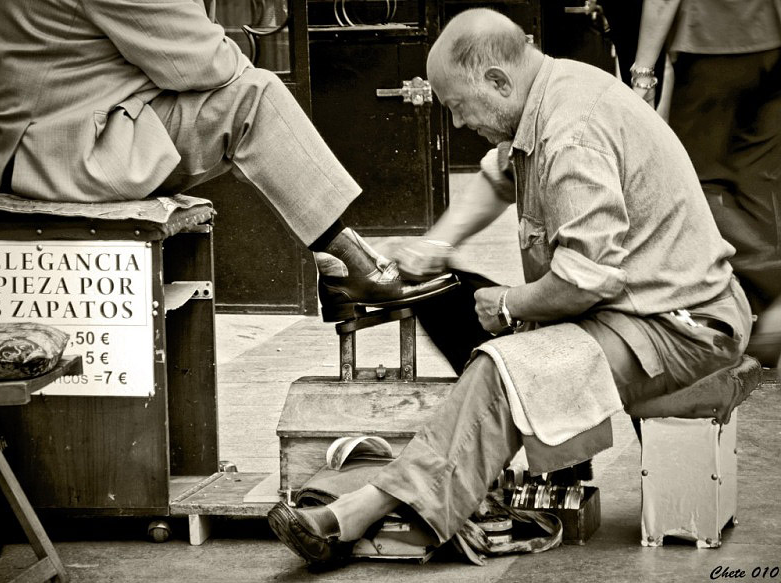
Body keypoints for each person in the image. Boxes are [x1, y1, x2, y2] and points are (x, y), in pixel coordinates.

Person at [267, 8, 753, 565]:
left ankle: (361, 510)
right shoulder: (547, 94)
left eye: (458, 107)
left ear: (497, 82)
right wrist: (433, 249)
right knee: (452, 294)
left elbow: (582, 278)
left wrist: (510, 303)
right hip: (630, 308)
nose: (455, 124)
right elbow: (498, 177)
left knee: (503, 368)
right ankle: (498, 471)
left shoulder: (573, 132)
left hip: (681, 326)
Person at [0, 0, 454, 320]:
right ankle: (346, 264)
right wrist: (219, 54)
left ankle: (339, 260)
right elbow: (201, 62)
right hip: (60, 152)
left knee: (243, 95)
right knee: (254, 96)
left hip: (46, 135)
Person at [631, 0, 781, 366]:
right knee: (759, 181)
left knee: (700, 182)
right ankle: (767, 314)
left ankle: (755, 302)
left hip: (710, 50)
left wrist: (643, 73)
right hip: (770, 49)